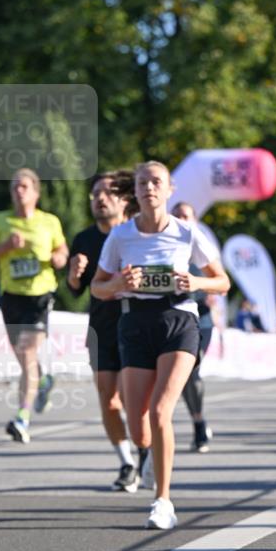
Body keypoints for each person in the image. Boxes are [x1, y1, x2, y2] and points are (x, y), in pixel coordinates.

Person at [91, 161, 230, 529]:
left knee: (161, 410)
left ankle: (163, 501)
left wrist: (195, 283)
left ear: (169, 191)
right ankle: (148, 454)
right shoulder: (121, 236)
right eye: (142, 183)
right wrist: (120, 282)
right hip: (135, 322)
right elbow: (97, 288)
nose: (149, 188)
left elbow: (223, 282)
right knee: (139, 426)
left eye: (156, 182)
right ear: (134, 192)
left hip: (178, 321)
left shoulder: (187, 233)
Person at [0, 168, 68, 443]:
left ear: (36, 192)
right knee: (23, 356)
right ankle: (42, 381)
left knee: (28, 354)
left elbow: (63, 252)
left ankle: (22, 418)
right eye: (15, 186)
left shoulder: (49, 222)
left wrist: (57, 258)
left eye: (25, 186)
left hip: (40, 296)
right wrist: (5, 246)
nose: (19, 191)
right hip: (12, 296)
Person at [68, 171, 138, 491]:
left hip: (135, 323)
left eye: (108, 192)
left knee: (132, 398)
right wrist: (73, 273)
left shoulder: (137, 233)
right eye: (95, 193)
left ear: (124, 199)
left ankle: (148, 449)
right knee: (109, 401)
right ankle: (126, 461)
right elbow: (76, 290)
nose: (100, 198)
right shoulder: (84, 239)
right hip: (100, 327)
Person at [171, 201, 217, 453]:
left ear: (195, 220)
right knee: (183, 376)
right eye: (176, 215)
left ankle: (198, 424)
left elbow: (219, 281)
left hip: (201, 321)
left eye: (186, 216)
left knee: (192, 371)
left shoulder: (201, 246)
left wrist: (203, 287)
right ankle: (196, 420)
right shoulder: (162, 245)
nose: (181, 219)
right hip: (171, 318)